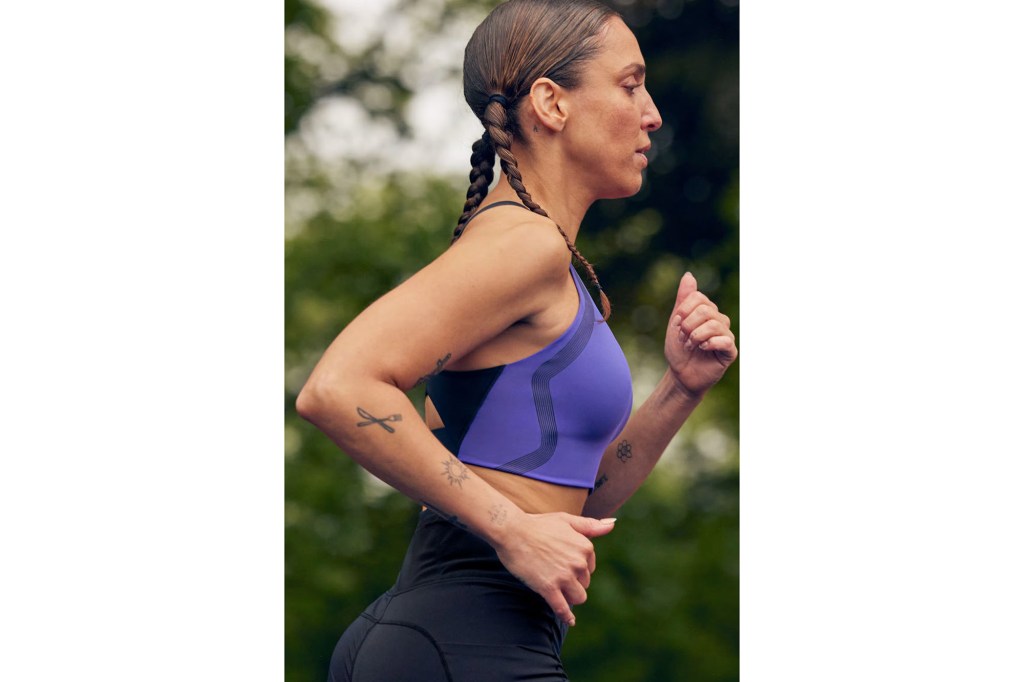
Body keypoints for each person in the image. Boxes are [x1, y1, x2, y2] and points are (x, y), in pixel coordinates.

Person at [296, 0, 737, 679]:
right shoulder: (523, 244)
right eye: (628, 84)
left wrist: (680, 387)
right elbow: (337, 387)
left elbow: (576, 505)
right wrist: (508, 528)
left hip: (452, 636)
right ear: (550, 103)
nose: (651, 113)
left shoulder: (547, 259)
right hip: (465, 635)